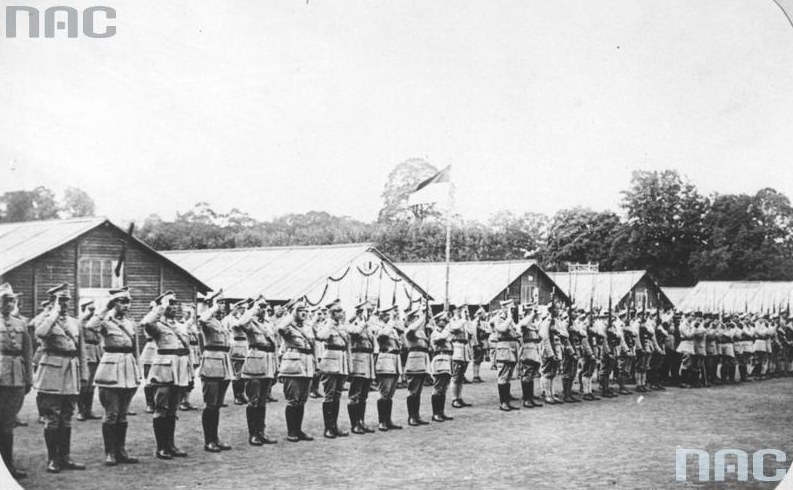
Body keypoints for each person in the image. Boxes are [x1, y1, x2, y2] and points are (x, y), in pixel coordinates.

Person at [34, 283, 88, 473]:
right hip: (52, 371)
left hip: (71, 370)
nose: (65, 304)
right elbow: (39, 333)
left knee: (67, 416)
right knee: (53, 417)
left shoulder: (75, 322)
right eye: (60, 300)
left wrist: (84, 374)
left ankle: (65, 457)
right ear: (52, 301)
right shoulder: (45, 319)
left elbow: (81, 350)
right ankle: (52, 459)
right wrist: (54, 313)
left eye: (66, 300)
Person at [87, 287, 140, 466]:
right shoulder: (105, 320)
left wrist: (137, 371)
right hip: (110, 368)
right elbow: (90, 326)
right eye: (122, 301)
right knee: (111, 413)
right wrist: (104, 309)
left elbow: (135, 349)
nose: (126, 305)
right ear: (113, 303)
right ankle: (110, 452)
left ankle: (121, 450)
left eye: (128, 302)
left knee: (123, 414)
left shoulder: (131, 323)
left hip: (128, 367)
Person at [140, 291, 191, 460]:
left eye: (176, 304)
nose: (175, 308)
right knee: (161, 409)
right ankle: (161, 447)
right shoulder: (157, 325)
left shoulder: (180, 325)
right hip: (163, 371)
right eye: (171, 304)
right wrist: (161, 306)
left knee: (172, 410)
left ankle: (171, 444)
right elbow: (146, 322)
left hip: (179, 370)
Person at [0, 284, 32, 479]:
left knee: (7, 424)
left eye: (11, 300)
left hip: (16, 378)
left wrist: (28, 377)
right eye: (5, 300)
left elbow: (27, 352)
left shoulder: (21, 324)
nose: (8, 304)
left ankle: (8, 466)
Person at [237, 297, 279, 445]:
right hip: (255, 363)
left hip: (267, 362)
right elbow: (241, 323)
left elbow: (275, 346)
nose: (263, 309)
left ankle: (261, 432)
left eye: (264, 306)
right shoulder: (250, 322)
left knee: (262, 401)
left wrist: (276, 367)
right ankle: (253, 434)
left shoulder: (268, 324)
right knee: (253, 401)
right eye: (260, 306)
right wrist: (253, 309)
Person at [196, 295, 234, 452]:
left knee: (217, 405)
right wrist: (213, 306)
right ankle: (208, 441)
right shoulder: (207, 320)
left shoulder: (220, 323)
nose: (222, 307)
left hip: (224, 364)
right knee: (210, 405)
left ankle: (215, 438)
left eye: (224, 304)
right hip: (211, 365)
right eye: (219, 304)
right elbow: (202, 318)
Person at [277, 301, 316, 442]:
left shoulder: (308, 327)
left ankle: (298, 430)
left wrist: (315, 363)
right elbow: (280, 327)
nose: (304, 313)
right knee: (292, 400)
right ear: (294, 312)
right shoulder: (288, 326)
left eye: (305, 310)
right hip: (292, 366)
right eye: (300, 310)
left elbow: (313, 346)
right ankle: (291, 431)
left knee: (302, 401)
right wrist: (291, 316)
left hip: (306, 364)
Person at [315, 299, 350, 438]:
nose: (340, 313)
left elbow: (347, 347)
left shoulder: (343, 326)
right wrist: (329, 323)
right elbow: (321, 336)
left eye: (341, 310)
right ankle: (328, 428)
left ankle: (334, 426)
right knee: (329, 396)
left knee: (337, 396)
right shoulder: (327, 325)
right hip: (330, 362)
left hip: (341, 362)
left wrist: (349, 365)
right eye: (337, 311)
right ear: (330, 313)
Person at [346, 300, 377, 434]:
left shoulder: (368, 325)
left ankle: (361, 422)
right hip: (358, 360)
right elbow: (355, 332)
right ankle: (354, 424)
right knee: (355, 394)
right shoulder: (353, 323)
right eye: (367, 310)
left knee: (364, 395)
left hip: (368, 361)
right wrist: (362, 321)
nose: (370, 312)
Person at [373, 305, 403, 431]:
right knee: (384, 393)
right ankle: (382, 421)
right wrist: (391, 321)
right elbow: (383, 335)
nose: (390, 317)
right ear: (381, 316)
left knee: (390, 394)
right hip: (385, 360)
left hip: (395, 361)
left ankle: (388, 420)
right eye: (387, 315)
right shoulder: (378, 327)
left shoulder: (393, 329)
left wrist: (395, 320)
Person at [403, 308, 431, 426]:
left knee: (418, 392)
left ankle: (416, 415)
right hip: (414, 362)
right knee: (413, 391)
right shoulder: (409, 331)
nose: (419, 320)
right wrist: (422, 317)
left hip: (422, 362)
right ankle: (411, 417)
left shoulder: (421, 332)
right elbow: (414, 327)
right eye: (416, 318)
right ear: (411, 320)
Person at [77, 299, 102, 421]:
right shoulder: (80, 321)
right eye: (89, 309)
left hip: (96, 353)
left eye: (94, 309)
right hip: (86, 353)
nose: (93, 312)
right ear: (83, 310)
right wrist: (88, 314)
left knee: (92, 385)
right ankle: (81, 411)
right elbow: (82, 325)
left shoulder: (95, 322)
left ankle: (88, 410)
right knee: (84, 385)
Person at [494, 300, 520, 411]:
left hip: (512, 348)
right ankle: (503, 403)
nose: (513, 309)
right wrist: (509, 318)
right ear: (504, 308)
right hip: (504, 349)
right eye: (510, 308)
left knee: (508, 377)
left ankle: (507, 401)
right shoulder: (499, 318)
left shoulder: (510, 320)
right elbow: (502, 329)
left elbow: (517, 333)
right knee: (503, 376)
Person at [429, 311, 454, 422]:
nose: (444, 322)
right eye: (442, 321)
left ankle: (441, 412)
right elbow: (442, 338)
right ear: (437, 322)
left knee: (444, 388)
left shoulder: (445, 332)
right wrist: (448, 332)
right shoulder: (435, 333)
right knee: (438, 387)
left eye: (445, 320)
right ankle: (435, 414)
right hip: (439, 358)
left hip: (447, 358)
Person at [517, 305, 543, 408]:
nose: (536, 315)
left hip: (535, 350)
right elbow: (523, 324)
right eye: (532, 312)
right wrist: (532, 314)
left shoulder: (534, 325)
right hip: (527, 351)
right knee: (526, 375)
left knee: (531, 376)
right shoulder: (524, 323)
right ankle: (526, 399)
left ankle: (530, 398)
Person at [448, 306, 473, 408]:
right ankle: (454, 399)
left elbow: (471, 332)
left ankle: (460, 397)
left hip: (465, 349)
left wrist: (468, 319)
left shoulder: (464, 321)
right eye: (460, 309)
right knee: (455, 376)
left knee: (461, 376)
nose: (463, 312)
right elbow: (455, 328)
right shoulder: (452, 321)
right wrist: (463, 318)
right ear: (454, 311)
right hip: (457, 348)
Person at [226, 300, 249, 405]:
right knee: (237, 374)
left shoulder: (246, 318)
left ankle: (242, 394)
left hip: (245, 345)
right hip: (237, 345)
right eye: (240, 308)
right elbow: (237, 326)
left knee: (244, 374)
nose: (242, 310)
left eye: (244, 308)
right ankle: (237, 396)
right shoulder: (231, 319)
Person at [180, 306, 200, 411]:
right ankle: (182, 401)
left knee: (192, 377)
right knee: (185, 376)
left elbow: (197, 338)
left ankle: (186, 400)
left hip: (194, 350)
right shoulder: (181, 323)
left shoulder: (193, 325)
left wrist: (199, 352)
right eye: (185, 312)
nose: (186, 314)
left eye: (187, 313)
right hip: (185, 352)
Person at [470, 307, 488, 383]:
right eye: (483, 314)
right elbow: (474, 334)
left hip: (482, 343)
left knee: (479, 360)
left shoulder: (481, 322)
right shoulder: (475, 323)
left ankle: (477, 375)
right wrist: (476, 344)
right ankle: (475, 376)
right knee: (476, 360)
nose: (484, 315)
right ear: (479, 314)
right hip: (478, 343)